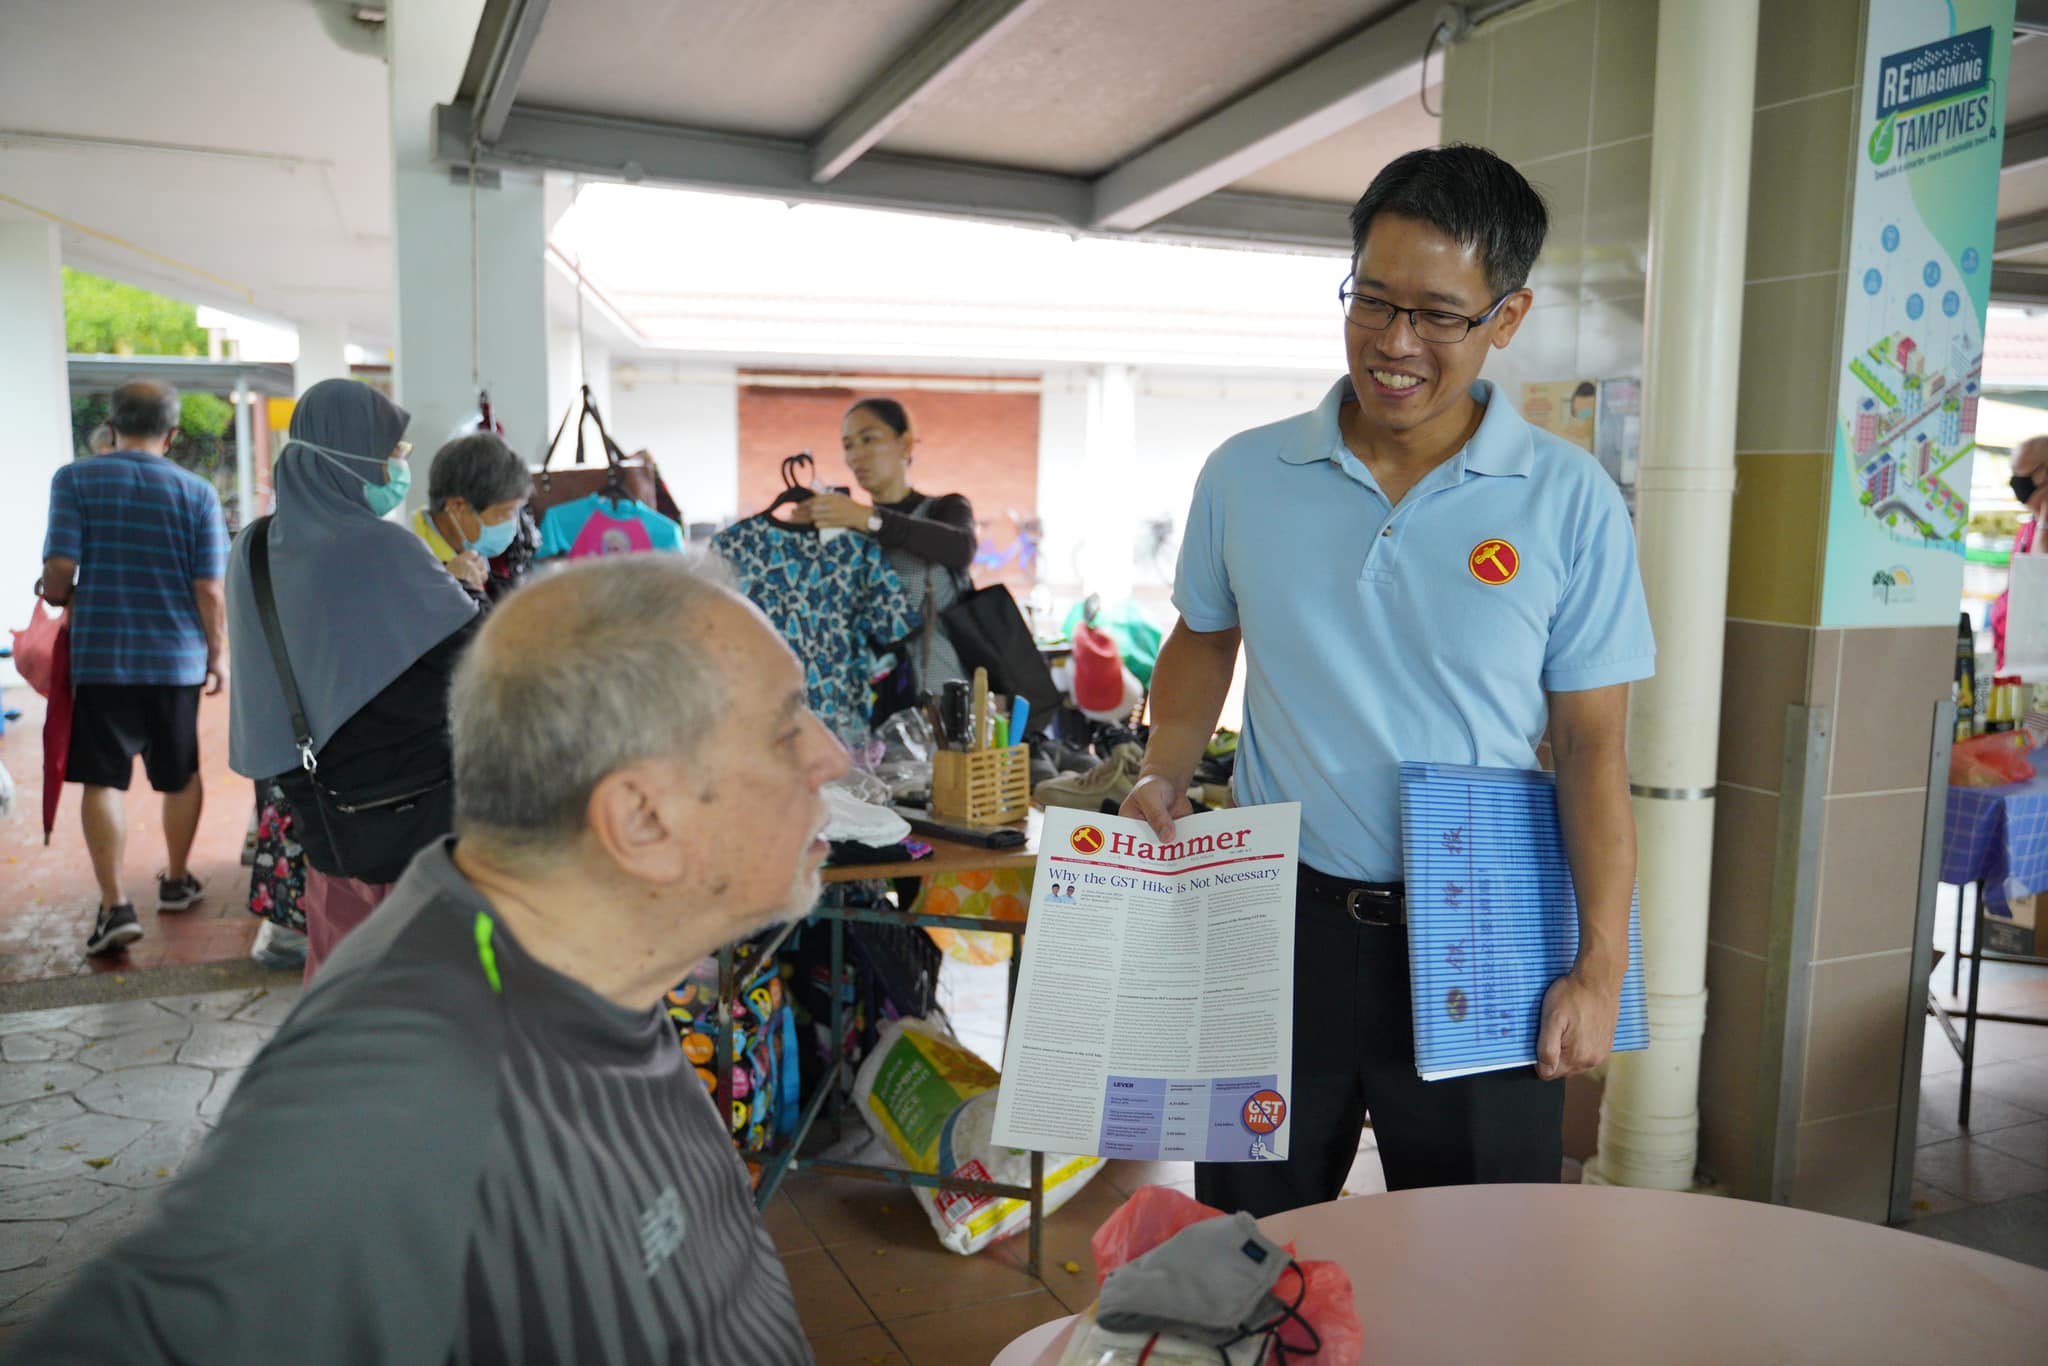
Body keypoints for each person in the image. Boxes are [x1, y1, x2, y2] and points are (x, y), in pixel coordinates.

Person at [6, 555, 840, 1364]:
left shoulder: (579, 958)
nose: (830, 756)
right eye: (786, 726)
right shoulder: (406, 1085)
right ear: (642, 821)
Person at [1121, 145, 1655, 1217]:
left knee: (1479, 1260)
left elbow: (1593, 750)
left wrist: (1596, 968)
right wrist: (1166, 767)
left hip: (1487, 927)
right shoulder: (1245, 472)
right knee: (1244, 1240)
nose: (1393, 342)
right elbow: (1202, 636)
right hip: (1277, 923)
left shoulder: (1567, 499)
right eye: (1371, 298)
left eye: (1436, 314)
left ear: (1506, 317)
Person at [225, 379, 481, 978]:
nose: (396, 466)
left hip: (321, 808)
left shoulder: (253, 547)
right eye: (390, 451)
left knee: (342, 963)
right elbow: (471, 651)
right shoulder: (379, 547)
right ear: (348, 454)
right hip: (407, 804)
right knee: (420, 978)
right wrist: (465, 584)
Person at [39, 380, 228, 958]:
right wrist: (216, 656)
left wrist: (56, 592)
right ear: (172, 435)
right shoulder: (197, 494)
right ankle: (175, 879)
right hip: (175, 660)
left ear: (111, 427)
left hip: (102, 656)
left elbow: (59, 572)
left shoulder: (75, 480)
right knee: (180, 772)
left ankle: (116, 905)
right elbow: (209, 589)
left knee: (102, 779)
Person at [792, 396, 978, 717]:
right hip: (865, 704)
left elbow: (960, 549)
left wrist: (868, 519)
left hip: (937, 697)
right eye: (848, 445)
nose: (856, 456)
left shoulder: (943, 510)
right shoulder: (843, 527)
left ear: (905, 444)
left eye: (869, 439)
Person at [412, 430, 535, 602]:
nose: (512, 525)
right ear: (458, 507)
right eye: (503, 514)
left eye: (516, 512)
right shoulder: (409, 561)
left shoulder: (471, 545)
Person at [1991, 434, 2048, 670]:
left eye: (2021, 473)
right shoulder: (2027, 529)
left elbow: (2040, 574)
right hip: (2014, 664)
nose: (2016, 482)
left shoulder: (2040, 530)